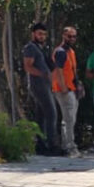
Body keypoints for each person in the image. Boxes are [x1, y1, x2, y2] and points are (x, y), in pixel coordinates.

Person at [22, 23, 60, 156]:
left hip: (45, 85)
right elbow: (28, 67)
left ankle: (40, 145)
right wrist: (43, 74)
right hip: (38, 85)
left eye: (44, 34)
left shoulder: (41, 48)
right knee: (52, 113)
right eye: (39, 34)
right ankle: (52, 146)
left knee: (41, 116)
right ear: (33, 34)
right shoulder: (30, 48)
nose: (42, 36)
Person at [52, 26, 83, 157]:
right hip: (64, 90)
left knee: (70, 119)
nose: (72, 39)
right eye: (69, 36)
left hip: (72, 88)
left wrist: (78, 84)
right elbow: (58, 71)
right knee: (69, 119)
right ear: (63, 36)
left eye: (74, 36)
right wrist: (64, 87)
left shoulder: (70, 51)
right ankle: (69, 147)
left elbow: (72, 70)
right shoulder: (60, 52)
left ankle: (67, 145)